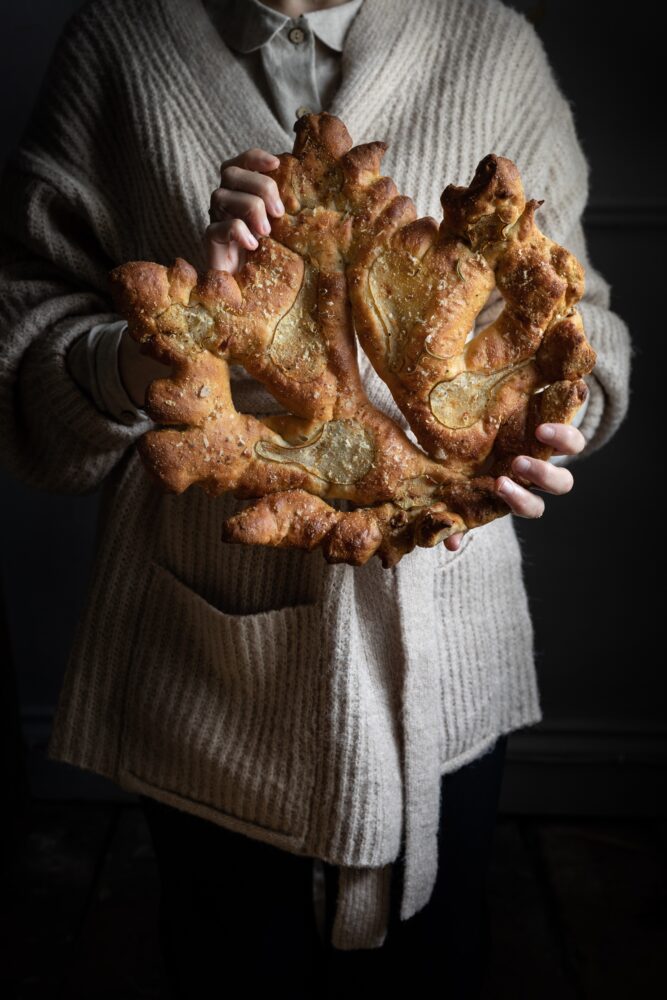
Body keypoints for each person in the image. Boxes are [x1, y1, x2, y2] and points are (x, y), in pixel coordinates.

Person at [0, 0, 631, 996]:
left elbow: (575, 309)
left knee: (439, 963)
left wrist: (564, 411)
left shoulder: (489, 44)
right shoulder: (120, 43)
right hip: (208, 661)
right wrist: (160, 348)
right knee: (225, 957)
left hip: (447, 650)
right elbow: (24, 354)